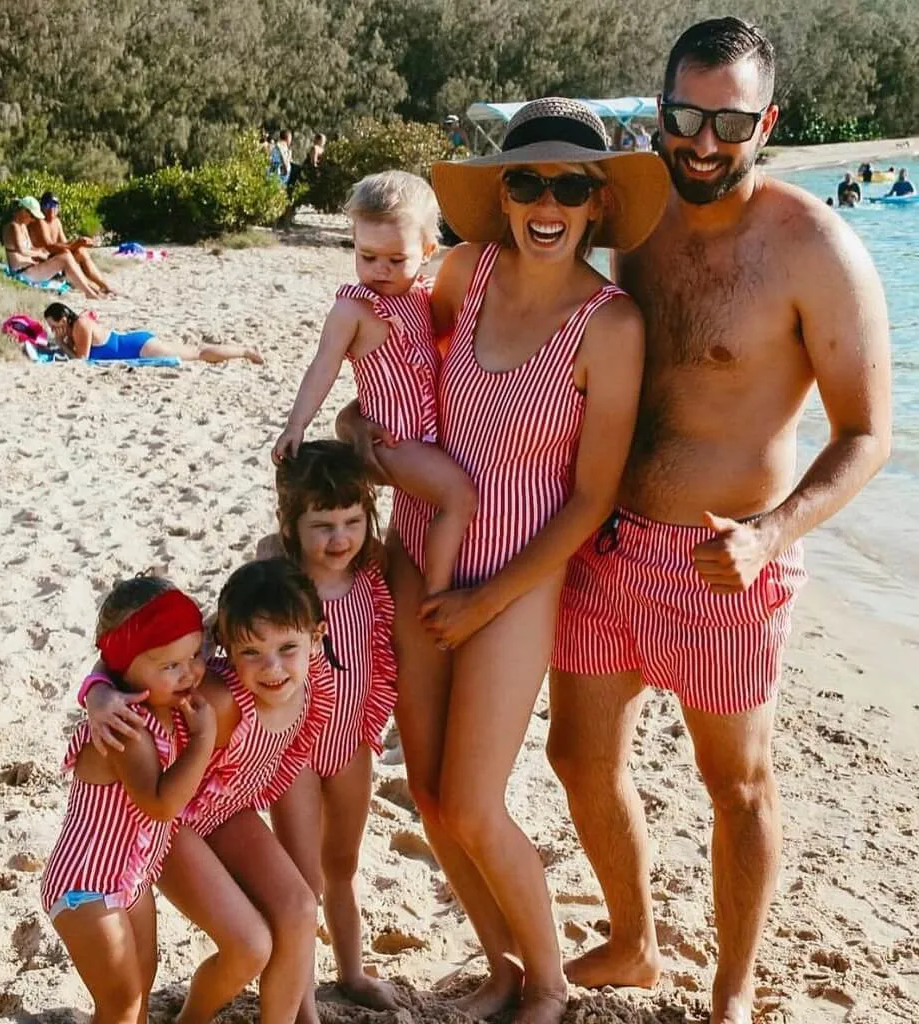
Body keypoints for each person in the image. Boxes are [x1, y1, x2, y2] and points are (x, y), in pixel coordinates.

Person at [547, 18, 891, 1024]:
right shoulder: (623, 217)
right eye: (686, 115)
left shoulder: (812, 249)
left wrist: (773, 532)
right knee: (577, 757)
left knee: (733, 782)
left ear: (765, 121)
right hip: (603, 541)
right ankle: (633, 939)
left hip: (724, 560)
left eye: (728, 121)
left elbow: (868, 433)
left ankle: (732, 990)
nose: (703, 140)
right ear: (660, 110)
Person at [338, 97, 669, 1024]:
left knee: (477, 803)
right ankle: (500, 968)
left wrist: (488, 601)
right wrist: (357, 429)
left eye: (570, 184)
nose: (547, 201)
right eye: (528, 181)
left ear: (597, 201)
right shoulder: (462, 272)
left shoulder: (612, 324)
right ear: (504, 194)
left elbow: (594, 497)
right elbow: (398, 375)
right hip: (417, 551)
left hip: (522, 577)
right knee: (432, 798)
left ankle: (553, 985)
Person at [81, 559, 336, 1023]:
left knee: (300, 906)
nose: (272, 667)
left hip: (227, 812)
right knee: (248, 944)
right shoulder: (215, 696)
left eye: (286, 648)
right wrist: (97, 690)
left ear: (315, 639)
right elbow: (133, 658)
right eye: (252, 652)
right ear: (224, 643)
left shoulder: (313, 683)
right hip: (173, 823)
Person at [272, 170, 478, 596]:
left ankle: (397, 577)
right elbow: (322, 366)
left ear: (427, 250)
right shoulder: (354, 309)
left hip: (430, 437)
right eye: (367, 256)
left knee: (411, 516)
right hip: (395, 441)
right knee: (460, 497)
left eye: (396, 259)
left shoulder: (424, 298)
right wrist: (296, 425)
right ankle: (437, 593)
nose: (380, 270)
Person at [260, 441, 399, 1021]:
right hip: (292, 750)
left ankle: (352, 969)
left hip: (351, 742)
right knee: (303, 876)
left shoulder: (373, 570)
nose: (339, 538)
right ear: (291, 525)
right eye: (321, 525)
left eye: (351, 522)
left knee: (342, 864)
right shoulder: (279, 575)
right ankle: (305, 1001)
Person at [40, 576, 217, 1023]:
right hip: (86, 886)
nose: (189, 672)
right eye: (169, 666)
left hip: (129, 878)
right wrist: (203, 741)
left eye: (193, 656)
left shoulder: (165, 697)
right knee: (119, 1002)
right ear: (124, 668)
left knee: (141, 982)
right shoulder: (127, 728)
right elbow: (160, 804)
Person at [43, 303, 263, 364]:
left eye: (54, 326)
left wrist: (61, 344)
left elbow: (82, 358)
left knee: (199, 354)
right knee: (196, 352)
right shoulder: (75, 327)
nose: (54, 330)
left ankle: (245, 351)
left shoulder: (81, 325)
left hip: (139, 348)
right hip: (136, 343)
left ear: (63, 319)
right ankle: (243, 351)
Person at [1, 197, 101, 299]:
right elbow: (21, 250)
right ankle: (89, 291)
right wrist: (39, 254)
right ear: (23, 211)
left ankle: (90, 289)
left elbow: (30, 247)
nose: (32, 220)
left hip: (30, 267)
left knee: (65, 254)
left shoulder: (22, 226)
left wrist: (42, 252)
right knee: (65, 258)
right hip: (23, 272)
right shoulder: (13, 227)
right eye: (32, 216)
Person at [29, 192, 116, 297]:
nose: (52, 209)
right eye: (48, 205)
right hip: (42, 262)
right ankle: (91, 289)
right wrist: (74, 245)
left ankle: (105, 287)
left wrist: (81, 242)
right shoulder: (40, 222)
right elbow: (49, 246)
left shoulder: (56, 222)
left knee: (80, 252)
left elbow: (65, 243)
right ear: (42, 207)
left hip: (54, 258)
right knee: (67, 252)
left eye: (54, 206)